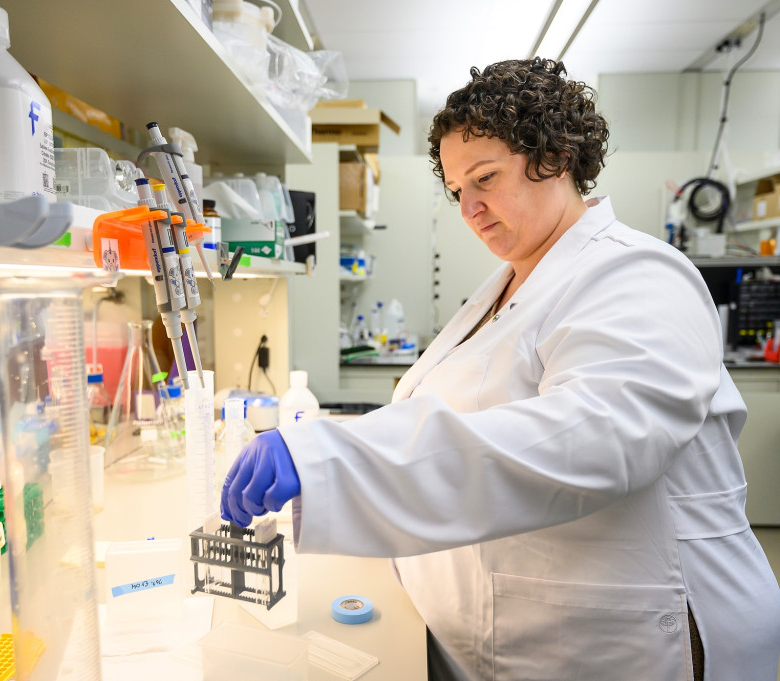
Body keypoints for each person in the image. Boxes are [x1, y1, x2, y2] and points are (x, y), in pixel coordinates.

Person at [221, 58, 780, 681]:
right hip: (503, 631)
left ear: (557, 156)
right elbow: (453, 415)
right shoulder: (511, 282)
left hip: (636, 636)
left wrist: (337, 460)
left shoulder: (639, 275)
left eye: (486, 178)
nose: (470, 209)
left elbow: (589, 440)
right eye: (459, 190)